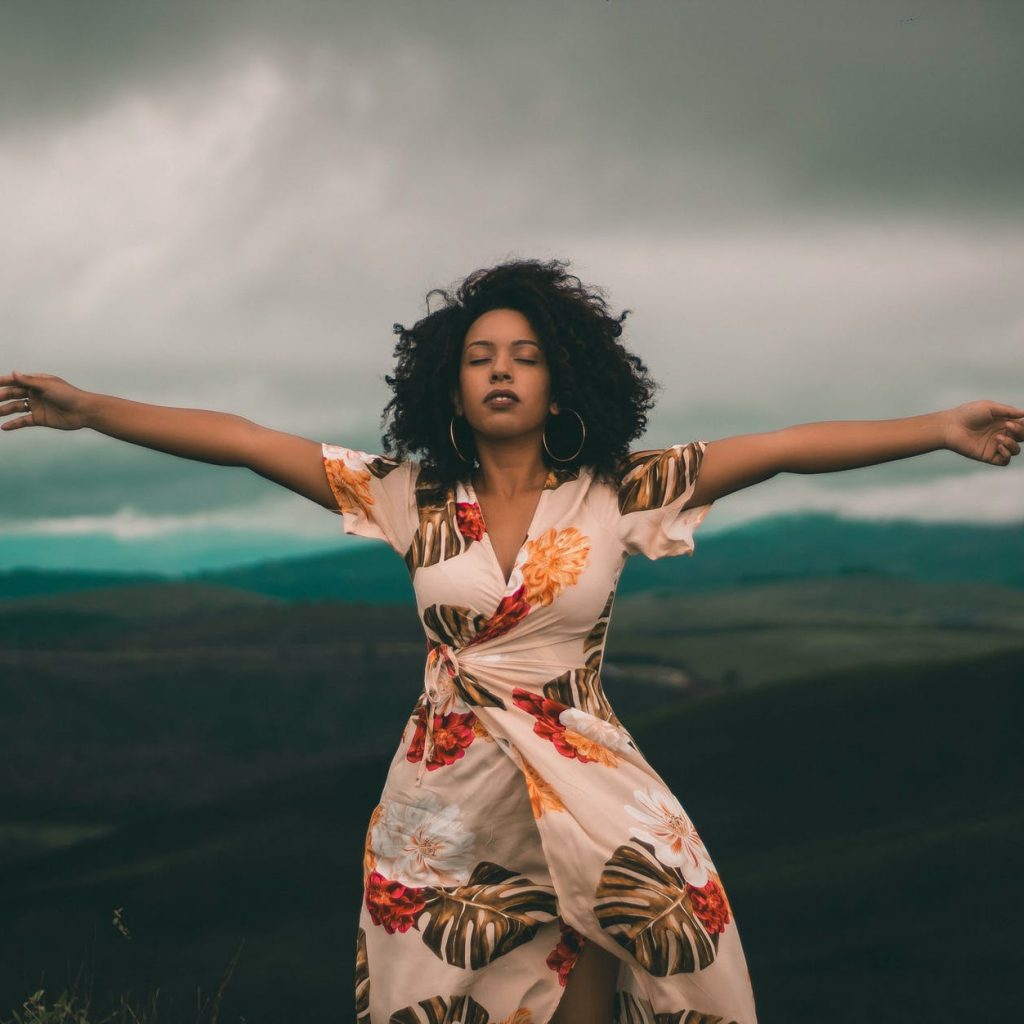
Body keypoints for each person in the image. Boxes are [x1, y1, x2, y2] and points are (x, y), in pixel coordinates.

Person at [2, 257, 1021, 1024]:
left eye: (525, 357)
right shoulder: (407, 494)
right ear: (448, 387)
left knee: (646, 936)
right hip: (444, 795)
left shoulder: (619, 491)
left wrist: (935, 426)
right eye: (479, 358)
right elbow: (245, 440)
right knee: (444, 987)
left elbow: (788, 449)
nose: (500, 371)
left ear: (560, 383)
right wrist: (88, 409)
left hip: (583, 770)